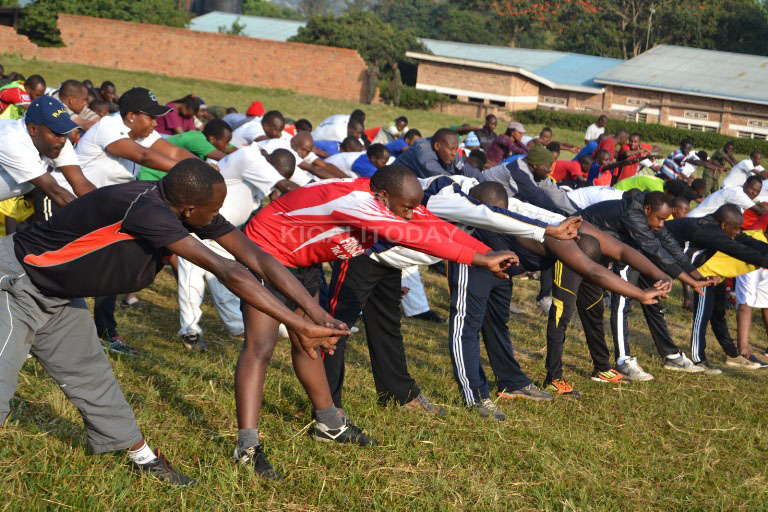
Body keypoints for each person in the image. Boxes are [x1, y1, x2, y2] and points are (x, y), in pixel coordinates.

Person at [3, 158, 352, 486]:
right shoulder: (147, 211)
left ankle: (142, 458)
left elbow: (256, 258)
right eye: (213, 210)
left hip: (60, 294)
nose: (217, 216)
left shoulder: (184, 208)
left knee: (89, 373)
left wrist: (316, 314)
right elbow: (230, 272)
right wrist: (297, 323)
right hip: (15, 281)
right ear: (189, 209)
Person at [240, 164, 519, 477]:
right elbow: (412, 235)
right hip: (266, 251)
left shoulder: (389, 199)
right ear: (382, 198)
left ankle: (329, 423)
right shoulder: (357, 202)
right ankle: (247, 447)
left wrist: (484, 251)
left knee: (309, 341)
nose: (412, 213)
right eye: (406, 208)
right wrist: (480, 259)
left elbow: (434, 226)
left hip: (301, 260)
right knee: (260, 347)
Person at [50, 87, 199, 354]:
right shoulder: (108, 127)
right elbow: (143, 156)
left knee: (110, 267)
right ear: (131, 116)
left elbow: (175, 153)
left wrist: (202, 169)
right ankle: (40, 330)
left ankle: (106, 333)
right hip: (67, 202)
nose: (155, 123)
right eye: (150, 117)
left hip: (102, 209)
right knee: (57, 268)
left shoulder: (141, 131)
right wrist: (190, 174)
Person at [177, 148, 299, 350]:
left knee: (225, 279)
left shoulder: (261, 169)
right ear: (268, 163)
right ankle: (190, 331)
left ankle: (236, 325)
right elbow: (284, 186)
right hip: (198, 226)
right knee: (191, 278)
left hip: (221, 232)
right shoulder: (250, 157)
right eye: (276, 174)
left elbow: (277, 193)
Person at [666, 205, 768, 372]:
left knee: (718, 315)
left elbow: (744, 240)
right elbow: (738, 250)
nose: (737, 232)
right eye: (735, 229)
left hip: (717, 276)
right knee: (702, 318)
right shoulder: (707, 231)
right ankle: (699, 360)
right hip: (705, 274)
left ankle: (733, 355)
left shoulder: (726, 229)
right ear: (724, 225)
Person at [0, 96, 94, 213]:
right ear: (33, 129)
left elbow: (81, 183)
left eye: (65, 132)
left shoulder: (58, 140)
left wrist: (108, 209)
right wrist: (97, 219)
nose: (63, 140)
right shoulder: (10, 141)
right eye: (56, 132)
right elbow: (55, 191)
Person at [139, 119, 234, 181]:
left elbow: (232, 150)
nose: (227, 146)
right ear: (212, 139)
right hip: (152, 176)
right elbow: (226, 158)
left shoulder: (201, 136)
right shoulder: (198, 141)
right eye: (226, 142)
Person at [395, 128, 483, 180]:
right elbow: (444, 181)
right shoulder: (423, 152)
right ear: (437, 146)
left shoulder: (450, 152)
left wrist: (486, 184)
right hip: (394, 186)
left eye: (456, 149)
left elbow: (467, 170)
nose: (454, 153)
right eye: (452, 149)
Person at [688, 175, 766, 218]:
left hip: (704, 222)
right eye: (752, 189)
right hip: (696, 219)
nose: (754, 193)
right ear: (745, 185)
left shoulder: (741, 194)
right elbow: (761, 212)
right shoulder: (737, 193)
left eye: (757, 191)